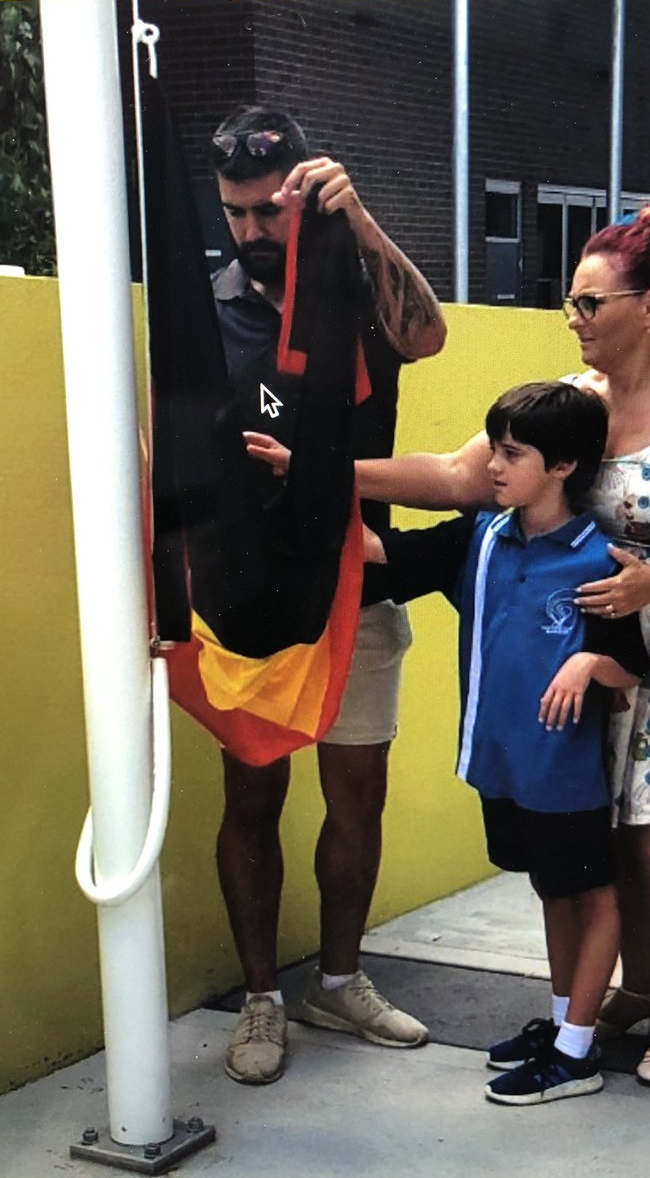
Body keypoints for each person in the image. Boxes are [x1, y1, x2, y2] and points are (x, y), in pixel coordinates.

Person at [355, 203, 650, 1087]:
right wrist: (324, 467)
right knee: (609, 833)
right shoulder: (574, 402)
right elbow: (456, 476)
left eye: (591, 303)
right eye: (572, 305)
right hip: (587, 633)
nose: (575, 320)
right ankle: (624, 990)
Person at [208, 104, 447, 1085]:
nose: (256, 228)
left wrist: (364, 223)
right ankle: (263, 1000)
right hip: (250, 598)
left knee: (357, 795)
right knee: (253, 791)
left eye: (273, 208)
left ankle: (338, 980)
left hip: (360, 577)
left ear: (307, 190)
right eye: (239, 212)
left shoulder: (355, 282)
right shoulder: (205, 301)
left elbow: (427, 334)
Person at [365, 382, 648, 1105]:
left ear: (562, 466)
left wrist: (587, 662)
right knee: (551, 890)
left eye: (512, 453)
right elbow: (382, 553)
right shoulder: (483, 538)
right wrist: (298, 481)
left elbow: (631, 666)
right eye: (495, 447)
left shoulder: (598, 560)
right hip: (501, 766)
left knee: (595, 898)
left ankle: (577, 1055)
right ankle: (562, 1029)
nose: (492, 465)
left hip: (564, 774)